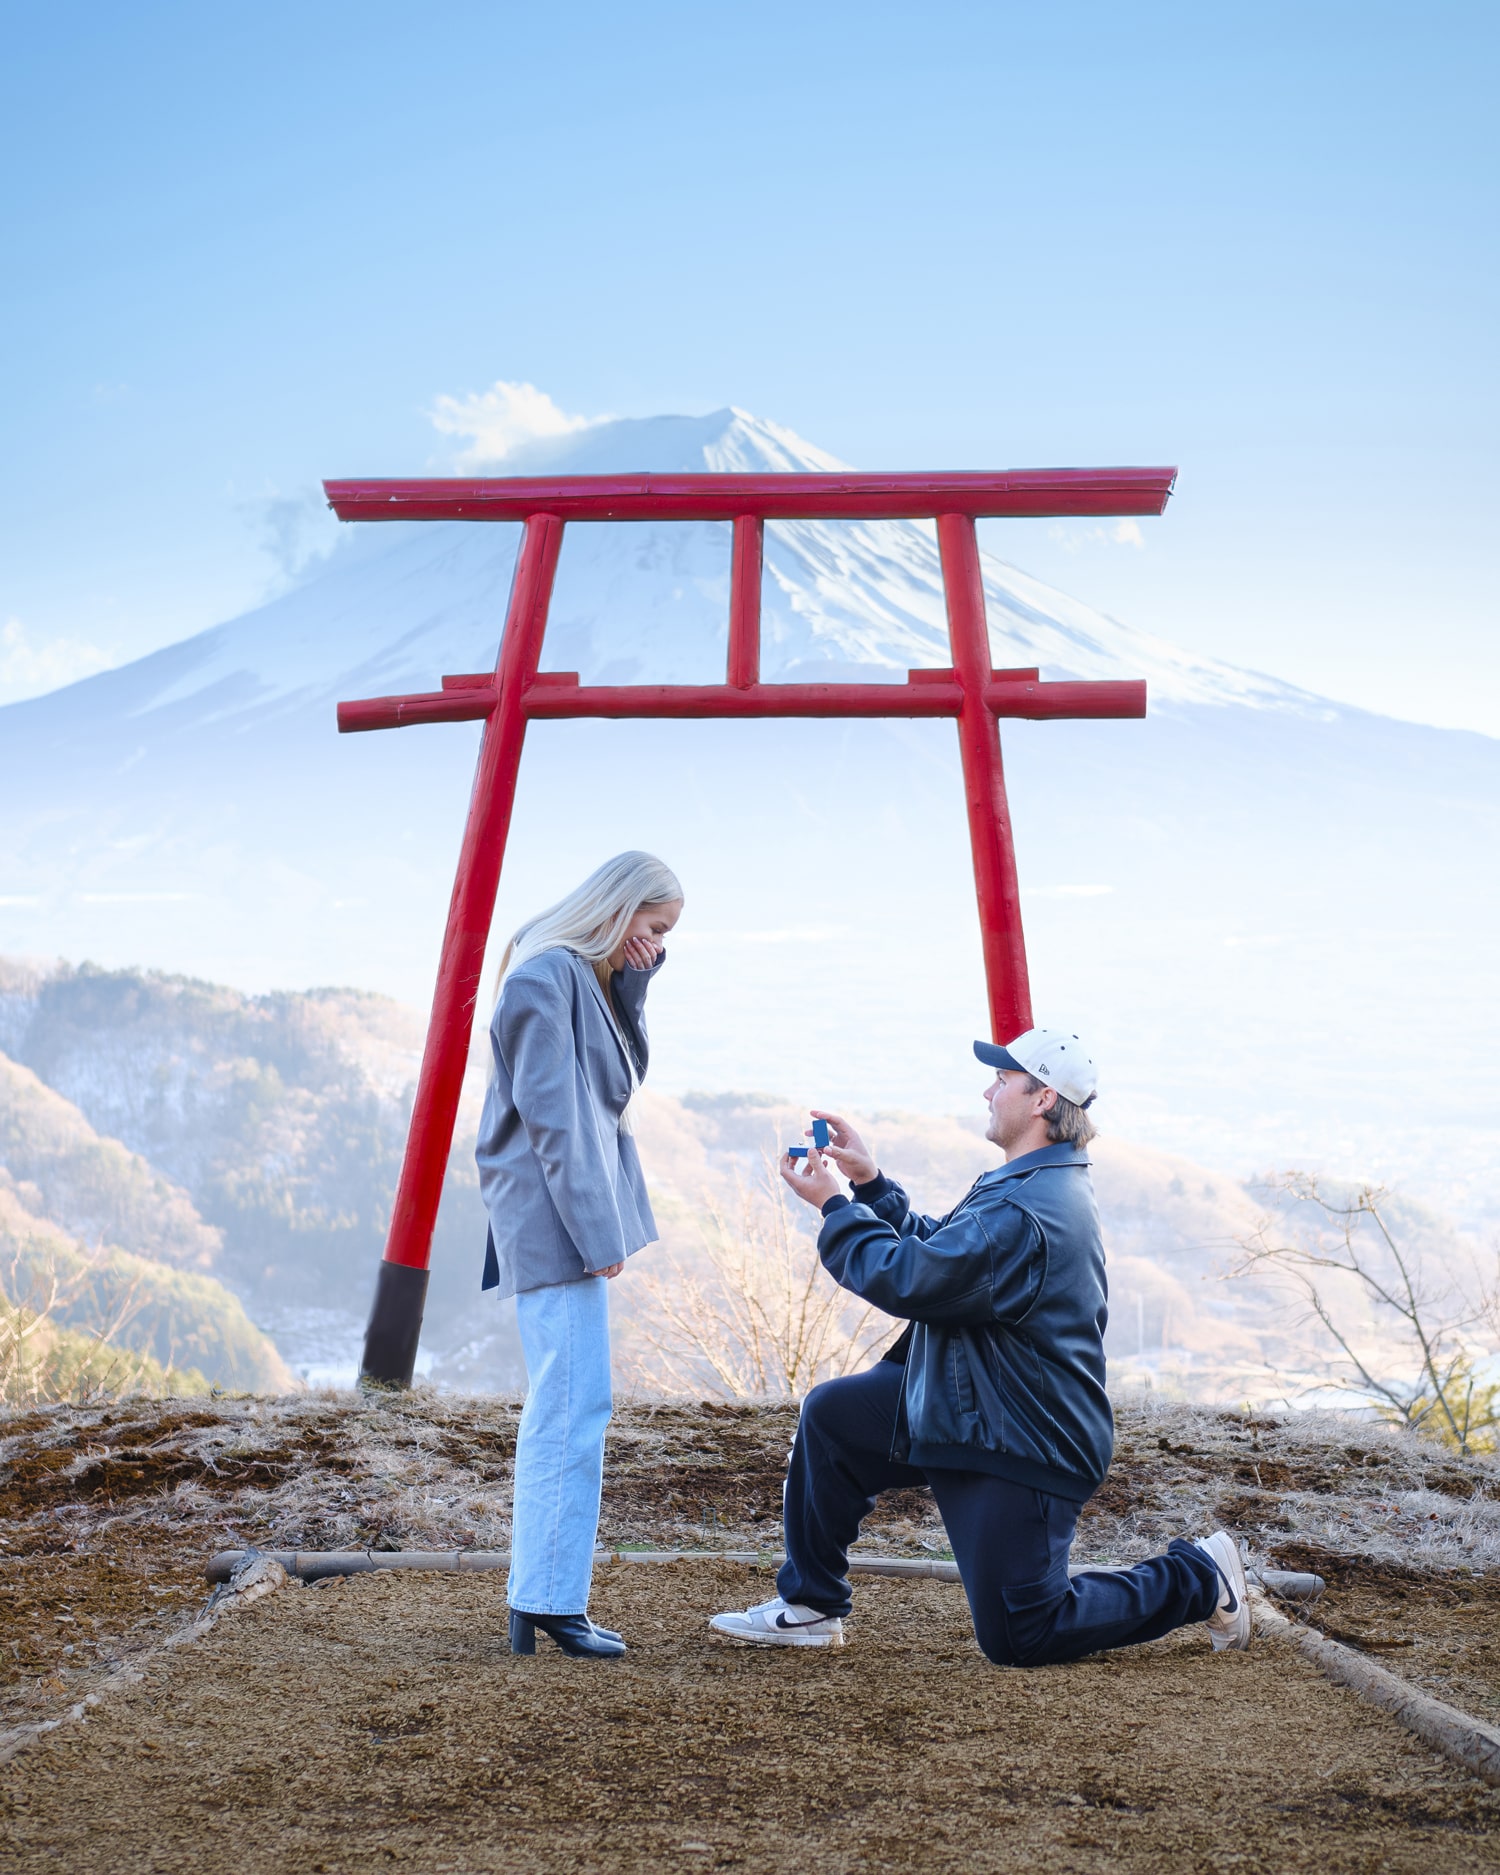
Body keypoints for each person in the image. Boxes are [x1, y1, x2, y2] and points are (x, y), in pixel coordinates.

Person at [710, 1027, 1251, 1665]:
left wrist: (834, 1205)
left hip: (1023, 1438)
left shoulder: (1030, 1207)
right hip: (971, 1404)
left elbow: (908, 1279)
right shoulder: (1029, 1181)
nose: (987, 1090)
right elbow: (948, 1257)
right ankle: (810, 1607)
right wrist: (872, 1184)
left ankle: (1199, 1577)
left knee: (1025, 1634)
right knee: (835, 1417)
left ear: (1043, 1099)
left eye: (1002, 1079)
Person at [476, 851, 683, 1659]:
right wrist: (599, 1237)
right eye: (654, 926)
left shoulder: (578, 978)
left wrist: (635, 982)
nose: (659, 943)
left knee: (573, 1404)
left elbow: (616, 1078)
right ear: (618, 905)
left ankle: (547, 1597)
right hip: (552, 1221)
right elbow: (555, 1123)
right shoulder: (542, 978)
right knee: (569, 1408)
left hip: (561, 1219)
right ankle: (547, 1601)